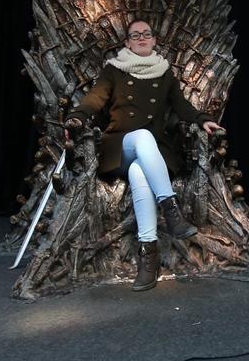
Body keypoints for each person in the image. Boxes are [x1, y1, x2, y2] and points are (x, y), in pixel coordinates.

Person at [64, 19, 223, 292]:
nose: (141, 38)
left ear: (153, 41)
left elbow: (181, 105)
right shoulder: (113, 70)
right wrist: (78, 117)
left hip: (154, 153)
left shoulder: (164, 73)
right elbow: (94, 98)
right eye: (135, 35)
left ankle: (148, 255)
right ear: (127, 42)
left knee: (140, 172)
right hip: (119, 146)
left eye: (146, 34)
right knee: (142, 136)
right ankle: (171, 210)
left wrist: (202, 119)